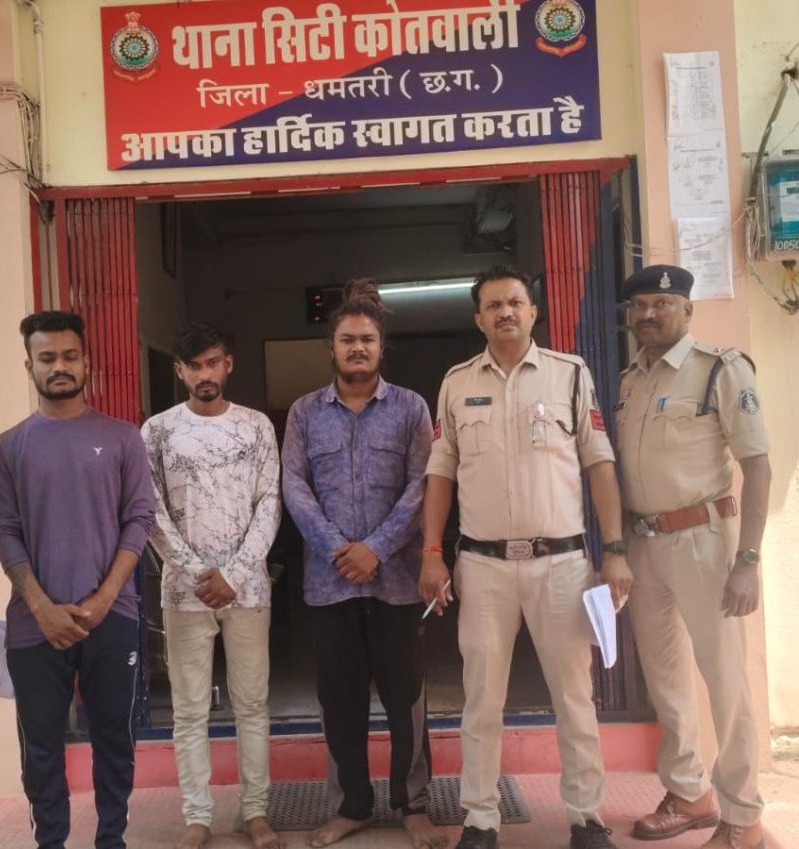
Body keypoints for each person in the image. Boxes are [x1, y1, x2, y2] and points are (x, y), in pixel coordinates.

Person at [420, 265, 630, 849]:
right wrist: (432, 553)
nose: (505, 312)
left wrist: (614, 549)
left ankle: (586, 817)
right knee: (481, 700)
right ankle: (480, 819)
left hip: (561, 564)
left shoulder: (570, 374)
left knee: (574, 697)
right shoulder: (457, 382)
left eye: (515, 302)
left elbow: (599, 463)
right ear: (478, 319)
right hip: (483, 566)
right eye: (493, 305)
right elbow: (440, 472)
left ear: (533, 311)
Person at [0, 310, 155, 849]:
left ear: (86, 362)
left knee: (114, 739)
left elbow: (139, 520)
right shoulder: (8, 447)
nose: (59, 366)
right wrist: (41, 607)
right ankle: (51, 842)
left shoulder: (122, 439)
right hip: (35, 626)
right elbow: (3, 529)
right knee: (40, 749)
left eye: (69, 356)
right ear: (29, 366)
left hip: (112, 617)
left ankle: (111, 839)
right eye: (47, 358)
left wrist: (106, 596)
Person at [281, 279, 440, 849]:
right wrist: (338, 548)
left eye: (367, 340)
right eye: (347, 339)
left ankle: (412, 804)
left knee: (406, 698)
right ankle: (352, 805)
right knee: (340, 701)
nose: (357, 348)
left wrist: (376, 548)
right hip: (330, 584)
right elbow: (293, 486)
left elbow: (423, 485)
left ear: (380, 347)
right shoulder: (304, 413)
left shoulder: (410, 408)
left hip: (396, 582)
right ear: (331, 347)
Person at [615, 265, 770, 849]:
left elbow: (758, 466)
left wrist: (748, 560)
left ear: (687, 309)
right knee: (665, 678)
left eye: (661, 303)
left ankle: (743, 815)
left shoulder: (720, 370)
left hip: (703, 542)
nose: (648, 314)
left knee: (725, 681)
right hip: (644, 544)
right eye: (638, 305)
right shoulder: (630, 380)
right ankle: (689, 793)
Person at [141, 323, 284, 849]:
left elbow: (270, 503)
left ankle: (256, 812)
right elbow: (151, 511)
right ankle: (197, 817)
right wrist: (198, 573)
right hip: (185, 593)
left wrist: (235, 573)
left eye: (214, 363)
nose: (205, 374)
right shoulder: (157, 431)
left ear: (229, 365)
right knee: (189, 710)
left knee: (252, 704)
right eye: (195, 366)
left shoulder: (255, 427)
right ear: (180, 371)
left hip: (248, 590)